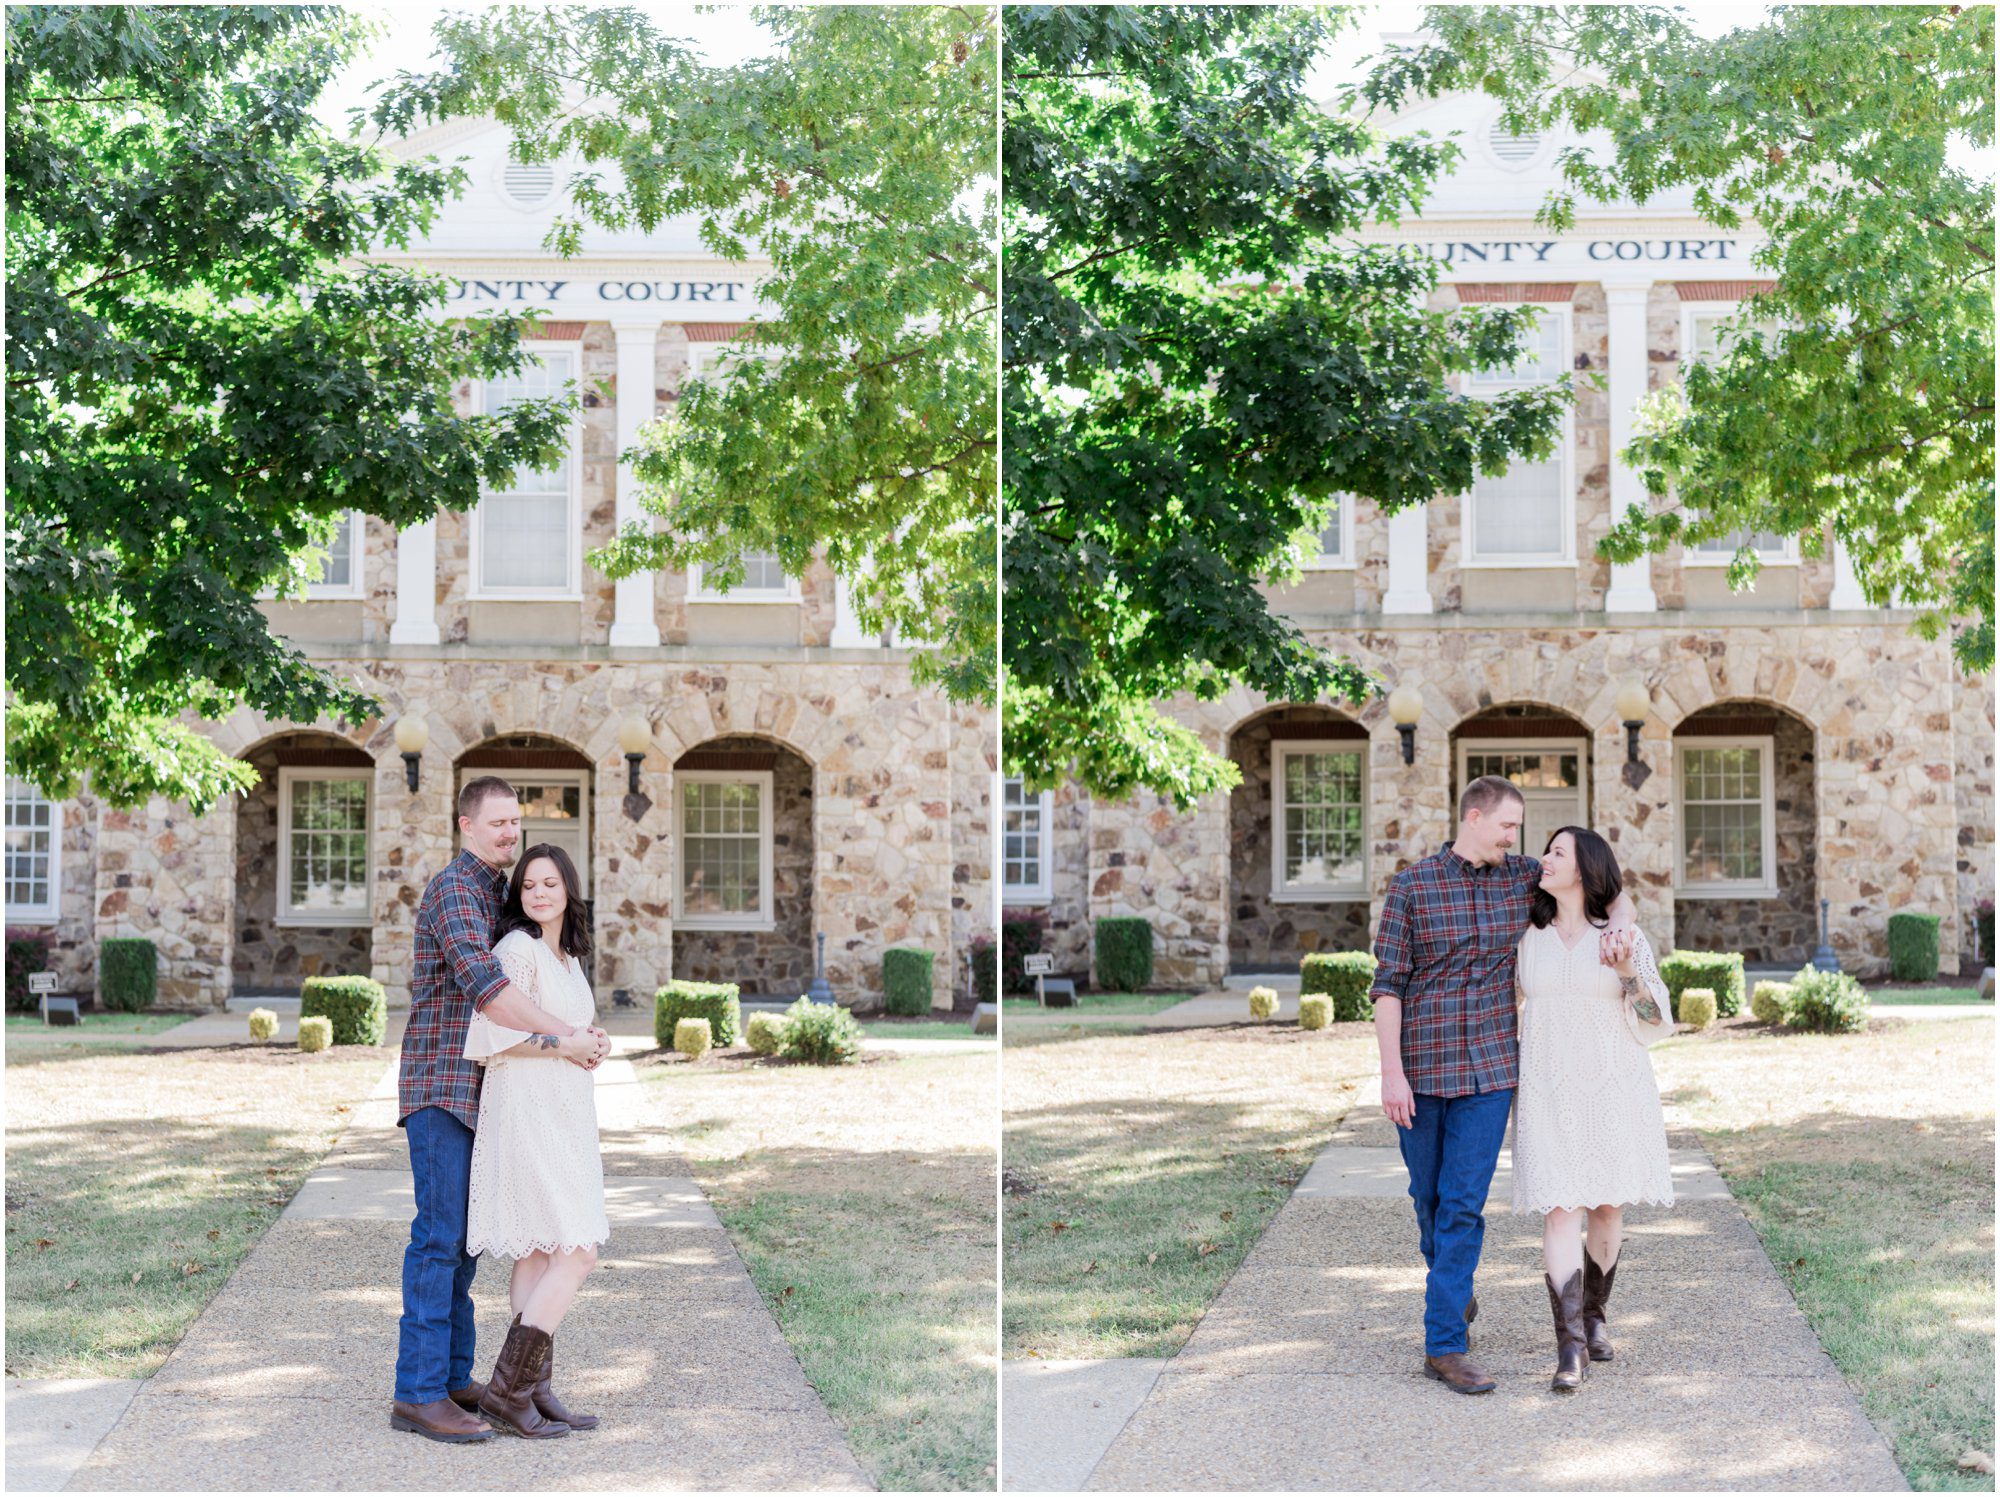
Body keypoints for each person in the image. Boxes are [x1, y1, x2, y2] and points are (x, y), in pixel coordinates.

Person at [1368, 776, 1634, 1396]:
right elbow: (1387, 986)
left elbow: (1604, 890)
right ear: (1475, 817)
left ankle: (1444, 1347)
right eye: (1509, 826)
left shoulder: (1521, 879)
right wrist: (1391, 1073)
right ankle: (1453, 1294)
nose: (1520, 841)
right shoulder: (1413, 885)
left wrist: (1620, 920)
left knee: (1462, 1207)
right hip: (1421, 1070)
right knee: (1429, 1206)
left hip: (1489, 1074)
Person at [389, 777, 610, 1444]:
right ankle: (418, 1392)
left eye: (516, 822)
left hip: (480, 1091)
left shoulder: (495, 891)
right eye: (497, 824)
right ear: (465, 825)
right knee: (438, 1238)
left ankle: (459, 1380)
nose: (509, 833)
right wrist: (567, 1038)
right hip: (439, 1085)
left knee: (462, 1246)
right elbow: (489, 992)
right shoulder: (456, 888)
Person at [1511, 826, 1675, 1393]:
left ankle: (1596, 1316)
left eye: (1557, 852)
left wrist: (1628, 969)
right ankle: (1570, 1346)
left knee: (1605, 1207)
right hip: (1547, 1090)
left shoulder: (1623, 936)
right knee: (1560, 1209)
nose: (1544, 859)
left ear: (1584, 869)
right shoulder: (1527, 936)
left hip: (1613, 1087)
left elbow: (1658, 1024)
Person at [464, 842, 610, 1438]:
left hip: (566, 1114)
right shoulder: (517, 949)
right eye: (528, 886)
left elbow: (570, 1032)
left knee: (538, 1249)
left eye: (549, 883)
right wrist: (567, 1045)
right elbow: (488, 1034)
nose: (539, 893)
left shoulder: (568, 958)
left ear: (568, 889)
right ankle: (508, 1392)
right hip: (526, 1111)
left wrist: (592, 1042)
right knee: (578, 1251)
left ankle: (534, 1390)